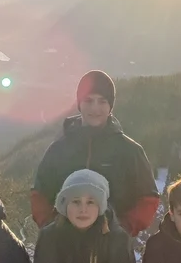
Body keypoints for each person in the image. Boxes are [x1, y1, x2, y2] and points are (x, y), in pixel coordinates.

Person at [31, 70, 161, 237]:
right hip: (64, 246)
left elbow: (148, 198)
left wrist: (123, 230)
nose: (95, 108)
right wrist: (52, 227)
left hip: (112, 250)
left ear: (110, 106)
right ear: (79, 103)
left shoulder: (129, 151)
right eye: (89, 100)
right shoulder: (59, 149)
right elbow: (39, 194)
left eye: (102, 101)